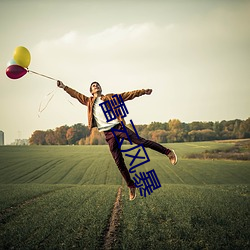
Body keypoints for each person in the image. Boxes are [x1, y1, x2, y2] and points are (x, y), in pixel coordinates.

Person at [57, 81, 177, 201]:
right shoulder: (88, 101)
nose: (96, 86)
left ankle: (168, 152)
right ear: (91, 91)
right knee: (118, 161)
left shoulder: (110, 97)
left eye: (97, 84)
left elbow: (128, 95)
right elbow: (75, 94)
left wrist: (143, 92)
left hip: (118, 127)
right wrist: (63, 87)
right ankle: (131, 185)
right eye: (94, 86)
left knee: (141, 142)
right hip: (108, 133)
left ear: (100, 88)